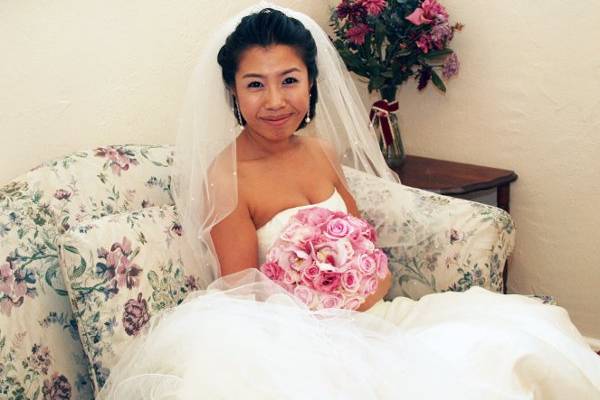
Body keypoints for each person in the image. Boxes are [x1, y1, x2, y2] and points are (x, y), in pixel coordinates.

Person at [99, 4, 600, 399]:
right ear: (233, 92)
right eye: (255, 84)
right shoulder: (226, 178)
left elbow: (363, 238)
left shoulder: (320, 150)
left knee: (515, 345)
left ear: (311, 83)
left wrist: (371, 278)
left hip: (374, 318)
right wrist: (324, 307)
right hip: (301, 343)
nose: (275, 101)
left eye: (289, 80)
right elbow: (241, 297)